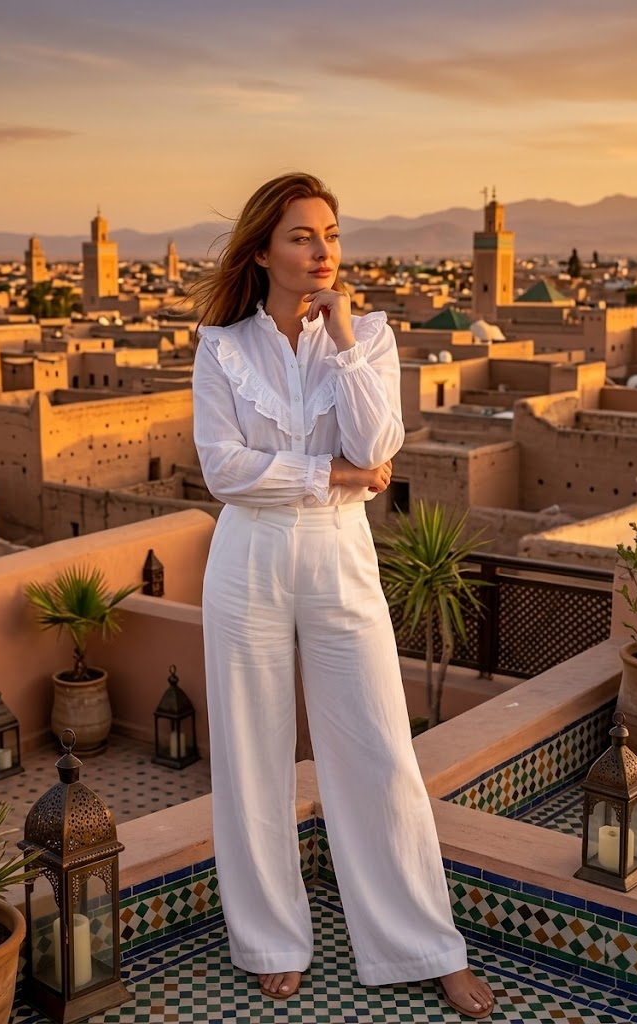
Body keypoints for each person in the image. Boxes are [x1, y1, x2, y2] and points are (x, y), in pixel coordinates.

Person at [191, 172, 495, 1020]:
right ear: (262, 251)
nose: (321, 250)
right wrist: (332, 472)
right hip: (247, 559)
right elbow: (223, 470)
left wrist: (345, 338)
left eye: (329, 234)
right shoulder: (221, 347)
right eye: (300, 236)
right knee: (250, 754)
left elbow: (379, 442)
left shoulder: (370, 337)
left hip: (339, 555)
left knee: (378, 746)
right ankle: (269, 940)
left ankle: (423, 945)